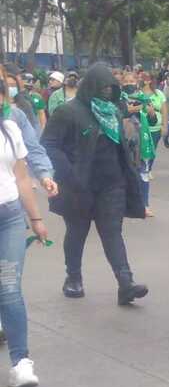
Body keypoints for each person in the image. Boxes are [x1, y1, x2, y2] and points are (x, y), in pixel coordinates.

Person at [41, 63, 148, 305]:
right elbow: (49, 143)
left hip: (112, 184)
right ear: (90, 87)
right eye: (103, 88)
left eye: (112, 88)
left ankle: (125, 283)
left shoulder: (113, 110)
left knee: (112, 232)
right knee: (77, 232)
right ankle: (73, 278)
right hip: (78, 185)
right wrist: (67, 173)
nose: (107, 93)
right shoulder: (68, 112)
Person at [0, 83, 52, 387]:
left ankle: (21, 362)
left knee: (8, 287)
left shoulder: (9, 129)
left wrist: (36, 218)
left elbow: (21, 177)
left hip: (9, 217)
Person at [120, 72, 158, 216]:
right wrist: (130, 110)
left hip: (142, 141)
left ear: (137, 82)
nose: (129, 83)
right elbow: (118, 114)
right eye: (126, 81)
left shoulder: (144, 99)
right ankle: (124, 204)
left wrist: (151, 112)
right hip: (125, 140)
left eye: (132, 81)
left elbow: (153, 121)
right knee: (125, 173)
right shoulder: (119, 98)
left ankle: (144, 205)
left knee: (143, 173)